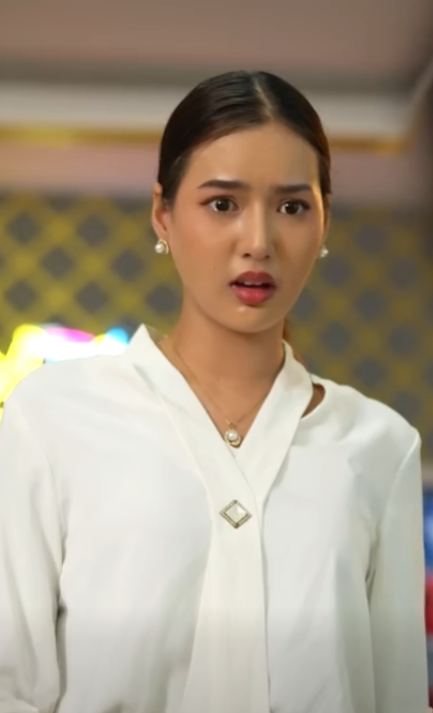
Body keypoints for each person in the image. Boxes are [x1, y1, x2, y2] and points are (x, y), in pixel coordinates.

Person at [0, 70, 429, 713]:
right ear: (163, 214)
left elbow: (397, 697)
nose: (258, 242)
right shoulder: (51, 417)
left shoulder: (381, 447)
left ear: (324, 222)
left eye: (292, 207)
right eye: (223, 203)